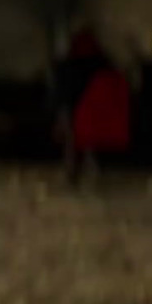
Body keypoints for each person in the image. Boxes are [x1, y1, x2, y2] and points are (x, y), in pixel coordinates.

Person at [51, 29, 133, 186]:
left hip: (79, 111)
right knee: (84, 146)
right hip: (85, 113)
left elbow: (64, 93)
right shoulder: (99, 64)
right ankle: (83, 175)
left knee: (75, 144)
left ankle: (76, 174)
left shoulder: (72, 66)